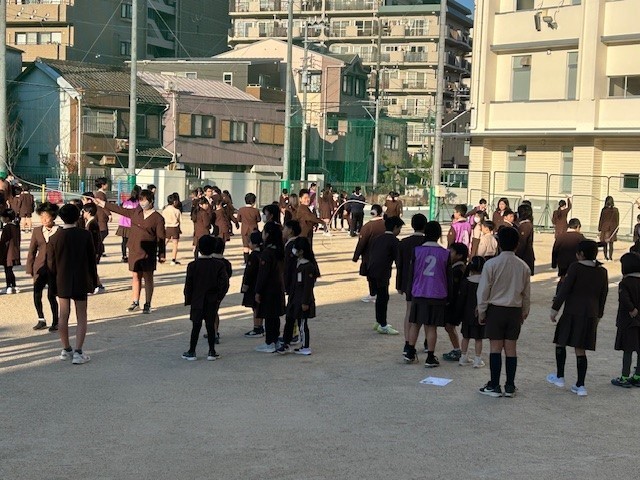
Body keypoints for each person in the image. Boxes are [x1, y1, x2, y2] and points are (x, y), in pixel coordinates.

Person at [548, 240, 608, 397]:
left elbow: (565, 290)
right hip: (590, 313)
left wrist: (555, 309)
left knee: (561, 341)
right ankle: (580, 385)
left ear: (581, 254)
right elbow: (603, 295)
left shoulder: (575, 267)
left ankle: (560, 376)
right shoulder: (602, 271)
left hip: (572, 311)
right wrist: (599, 314)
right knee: (580, 349)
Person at [477, 227, 531, 398]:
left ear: (499, 243)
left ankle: (494, 384)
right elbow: (526, 294)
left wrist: (482, 311)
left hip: (496, 309)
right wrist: (524, 312)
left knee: (495, 348)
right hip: (514, 310)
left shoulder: (491, 264)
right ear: (517, 244)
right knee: (511, 349)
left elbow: (483, 291)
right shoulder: (523, 266)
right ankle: (510, 385)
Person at [94, 189, 166, 314]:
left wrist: (161, 254)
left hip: (148, 252)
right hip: (134, 249)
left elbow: (161, 237)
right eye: (140, 200)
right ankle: (135, 302)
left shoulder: (158, 218)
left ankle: (147, 303)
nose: (142, 203)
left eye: (144, 200)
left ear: (151, 201)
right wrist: (102, 203)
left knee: (148, 278)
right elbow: (119, 210)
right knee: (135, 276)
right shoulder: (136, 212)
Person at [47, 204, 97, 365]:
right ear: (78, 216)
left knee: (63, 314)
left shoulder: (55, 237)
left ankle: (66, 348)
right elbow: (91, 259)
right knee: (81, 315)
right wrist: (94, 280)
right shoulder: (85, 235)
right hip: (81, 278)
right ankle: (78, 351)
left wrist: (52, 283)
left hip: (62, 279)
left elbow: (51, 264)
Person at [403, 221, 449, 367]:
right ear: (439, 234)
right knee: (431, 326)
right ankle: (430, 356)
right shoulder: (445, 253)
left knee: (415, 323)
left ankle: (410, 351)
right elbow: (448, 277)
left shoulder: (417, 251)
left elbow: (411, 273)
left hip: (419, 291)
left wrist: (410, 290)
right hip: (437, 293)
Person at [182, 235, 230, 361]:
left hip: (197, 300)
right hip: (212, 300)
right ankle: (211, 351)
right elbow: (224, 284)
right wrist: (219, 297)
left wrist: (188, 299)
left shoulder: (192, 265)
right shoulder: (219, 265)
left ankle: (192, 350)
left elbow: (188, 285)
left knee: (196, 326)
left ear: (199, 248)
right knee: (210, 326)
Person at [277, 236, 320, 355]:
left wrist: (305, 302)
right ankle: (286, 343)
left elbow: (308, 287)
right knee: (289, 320)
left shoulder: (308, 267)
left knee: (302, 323)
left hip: (302, 299)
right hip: (294, 297)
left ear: (301, 251)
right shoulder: (297, 264)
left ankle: (305, 346)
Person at [367, 216, 404, 335]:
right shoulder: (394, 241)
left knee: (380, 297)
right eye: (399, 228)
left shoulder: (377, 238)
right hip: (382, 272)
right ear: (395, 227)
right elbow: (398, 260)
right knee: (383, 298)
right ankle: (383, 324)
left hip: (371, 270)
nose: (400, 231)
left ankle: (378, 321)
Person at [397, 213, 427, 355]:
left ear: (412, 225)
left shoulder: (404, 242)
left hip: (408, 281)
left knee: (409, 311)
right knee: (426, 313)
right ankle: (427, 342)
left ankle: (408, 341)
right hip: (425, 283)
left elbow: (400, 265)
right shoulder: (428, 242)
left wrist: (399, 284)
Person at [27, 202, 60, 331]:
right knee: (37, 294)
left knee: (52, 296)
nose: (44, 220)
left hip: (54, 269)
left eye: (46, 217)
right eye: (41, 217)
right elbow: (32, 251)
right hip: (39, 267)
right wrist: (30, 268)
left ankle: (55, 321)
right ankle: (41, 319)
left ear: (53, 217)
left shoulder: (60, 231)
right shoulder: (37, 231)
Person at [254, 221, 286, 353]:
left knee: (268, 315)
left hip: (268, 289)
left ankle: (270, 342)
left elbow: (263, 274)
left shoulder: (267, 253)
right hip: (279, 287)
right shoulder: (280, 250)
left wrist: (258, 291)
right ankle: (275, 339)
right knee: (275, 316)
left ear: (267, 235)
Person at [611, 252, 640, 388]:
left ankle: (624, 377)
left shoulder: (625, 282)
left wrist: (632, 309)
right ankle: (638, 376)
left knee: (627, 350)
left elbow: (624, 298)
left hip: (628, 321)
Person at [352, 204, 386, 303]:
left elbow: (361, 243)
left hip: (370, 256)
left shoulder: (368, 226)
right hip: (384, 255)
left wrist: (356, 256)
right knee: (382, 276)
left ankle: (373, 294)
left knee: (371, 276)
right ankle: (381, 293)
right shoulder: (386, 224)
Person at [457, 256, 486, 368]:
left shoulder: (466, 282)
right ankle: (477, 359)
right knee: (478, 338)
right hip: (479, 313)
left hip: (466, 314)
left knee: (466, 336)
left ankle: (463, 357)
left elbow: (461, 300)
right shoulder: (484, 282)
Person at [442, 242, 468, 361]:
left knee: (449, 326)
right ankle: (457, 349)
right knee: (449, 326)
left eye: (451, 251)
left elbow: (454, 288)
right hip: (455, 304)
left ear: (459, 255)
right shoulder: (458, 268)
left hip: (454, 304)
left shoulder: (458, 270)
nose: (449, 253)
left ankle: (457, 350)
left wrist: (448, 301)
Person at [242, 231, 265, 338]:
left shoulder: (253, 256)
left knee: (255, 307)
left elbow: (249, 272)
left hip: (253, 285)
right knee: (259, 306)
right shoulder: (263, 254)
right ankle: (260, 326)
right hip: (262, 284)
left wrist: (245, 285)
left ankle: (257, 327)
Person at [551, 218, 585, 288]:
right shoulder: (580, 237)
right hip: (575, 263)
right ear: (578, 226)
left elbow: (555, 250)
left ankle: (559, 293)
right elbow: (588, 246)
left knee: (563, 280)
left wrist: (554, 264)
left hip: (562, 263)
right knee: (574, 281)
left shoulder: (560, 236)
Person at [82, 203, 105, 294]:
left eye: (84, 211)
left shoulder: (92, 223)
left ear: (88, 212)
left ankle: (97, 286)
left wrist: (95, 252)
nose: (83, 213)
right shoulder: (89, 222)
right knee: (90, 268)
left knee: (91, 269)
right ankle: (98, 285)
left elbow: (96, 239)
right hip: (91, 250)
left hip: (93, 251)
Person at [116, 186, 140, 263]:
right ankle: (131, 255)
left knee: (124, 241)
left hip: (123, 224)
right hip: (131, 224)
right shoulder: (138, 203)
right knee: (132, 241)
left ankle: (124, 256)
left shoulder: (126, 202)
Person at [237, 193, 261, 265]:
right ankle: (254, 260)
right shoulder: (256, 210)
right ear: (253, 201)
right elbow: (259, 219)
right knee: (255, 245)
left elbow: (238, 219)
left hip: (245, 229)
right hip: (253, 229)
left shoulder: (241, 210)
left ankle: (246, 261)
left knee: (245, 245)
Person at [0, 209, 20, 294]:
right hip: (14, 251)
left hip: (8, 252)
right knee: (10, 270)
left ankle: (9, 286)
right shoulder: (16, 226)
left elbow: (4, 241)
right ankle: (14, 286)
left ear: (7, 218)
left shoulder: (7, 227)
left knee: (7, 270)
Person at [162, 193, 182, 265]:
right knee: (175, 244)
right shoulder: (177, 211)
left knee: (165, 242)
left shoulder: (164, 210)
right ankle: (173, 259)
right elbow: (179, 220)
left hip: (167, 227)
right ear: (174, 202)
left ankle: (161, 256)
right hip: (175, 227)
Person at [515, 203, 535, 275]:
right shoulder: (524, 224)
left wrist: (516, 255)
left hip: (524, 257)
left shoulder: (525, 225)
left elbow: (522, 242)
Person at [598, 196, 620, 261]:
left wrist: (599, 228)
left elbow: (601, 219)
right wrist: (617, 228)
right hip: (612, 228)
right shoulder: (615, 210)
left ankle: (606, 257)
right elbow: (617, 220)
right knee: (611, 243)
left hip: (604, 227)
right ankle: (610, 257)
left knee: (605, 243)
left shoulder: (604, 210)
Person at [93, 177, 111, 250]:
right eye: (106, 184)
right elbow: (103, 205)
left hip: (101, 216)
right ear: (103, 185)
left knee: (103, 232)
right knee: (103, 232)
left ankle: (100, 248)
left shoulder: (101, 193)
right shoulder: (100, 194)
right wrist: (109, 214)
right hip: (101, 216)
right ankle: (97, 248)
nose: (107, 185)